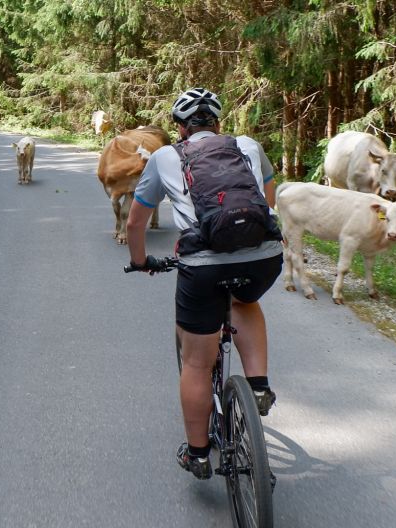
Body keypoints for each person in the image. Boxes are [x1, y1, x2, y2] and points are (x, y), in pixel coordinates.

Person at [125, 87, 283, 480]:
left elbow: (135, 222)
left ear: (179, 127)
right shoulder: (248, 144)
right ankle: (259, 386)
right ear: (218, 123)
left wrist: (141, 261)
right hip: (265, 255)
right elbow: (268, 200)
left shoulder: (164, 156)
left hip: (202, 263)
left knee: (197, 362)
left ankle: (197, 455)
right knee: (245, 301)